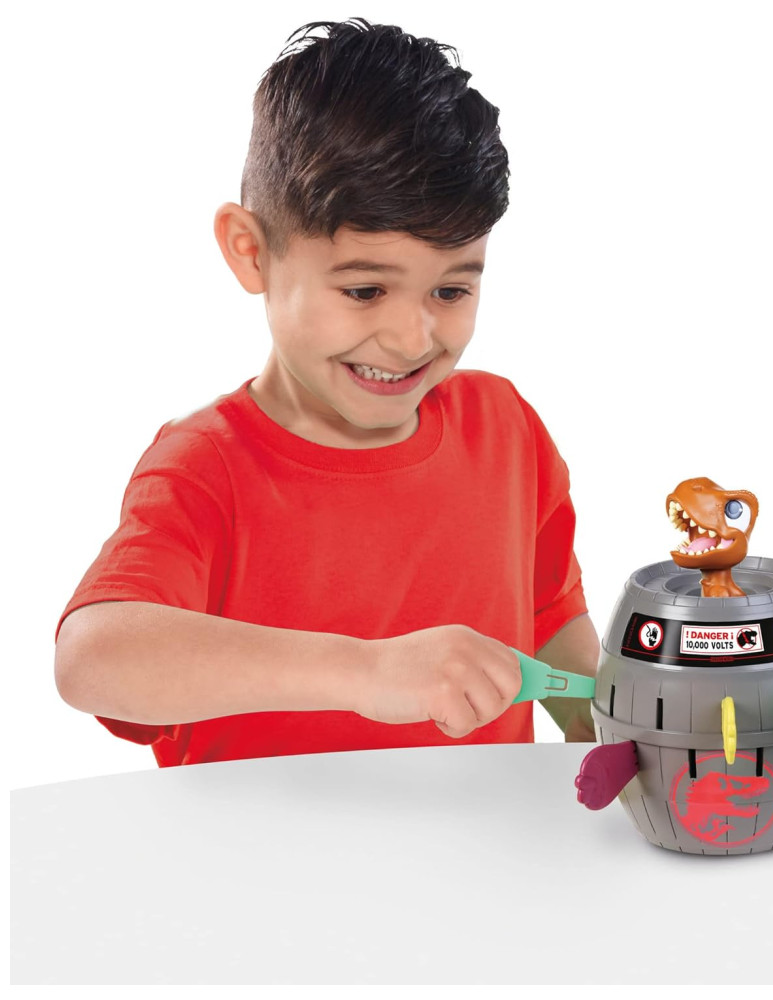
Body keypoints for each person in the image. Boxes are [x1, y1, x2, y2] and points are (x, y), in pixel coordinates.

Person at [53, 19, 599, 767]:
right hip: (261, 847)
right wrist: (369, 671)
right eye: (365, 289)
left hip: (486, 843)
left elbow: (550, 617)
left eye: (450, 290)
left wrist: (615, 726)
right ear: (251, 252)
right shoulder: (206, 467)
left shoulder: (505, 428)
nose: (411, 338)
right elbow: (93, 657)